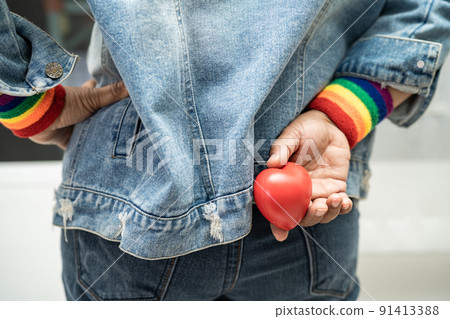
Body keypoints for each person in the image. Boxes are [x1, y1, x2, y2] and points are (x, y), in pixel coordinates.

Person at [1, 0, 449, 301]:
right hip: (311, 212)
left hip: (129, 199)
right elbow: (421, 10)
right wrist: (337, 116)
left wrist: (27, 103)